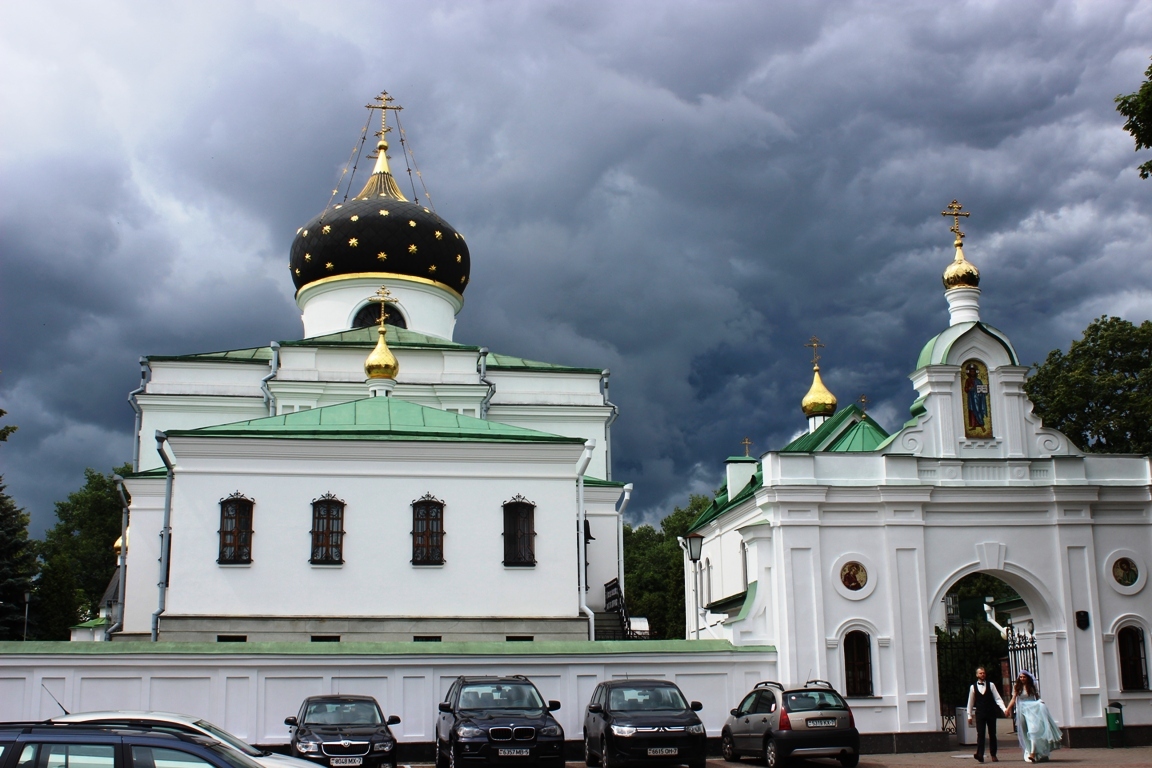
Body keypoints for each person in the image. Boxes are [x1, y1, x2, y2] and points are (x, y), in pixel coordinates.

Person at [1004, 670, 1062, 763]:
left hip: (1033, 709)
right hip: (1022, 710)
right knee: (1025, 731)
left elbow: (1037, 696)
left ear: (1028, 678)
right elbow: (1014, 699)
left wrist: (1040, 703)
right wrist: (1007, 709)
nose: (1022, 679)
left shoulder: (1032, 686)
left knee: (1033, 730)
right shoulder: (1017, 687)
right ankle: (1031, 750)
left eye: (1024, 677)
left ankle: (1033, 753)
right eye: (1021, 677)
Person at [966, 666, 1006, 763]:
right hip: (980, 713)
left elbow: (997, 698)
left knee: (992, 734)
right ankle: (980, 754)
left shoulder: (991, 685)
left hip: (991, 712)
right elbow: (970, 702)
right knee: (980, 734)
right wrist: (969, 715)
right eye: (980, 673)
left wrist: (1004, 709)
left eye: (983, 673)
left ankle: (993, 754)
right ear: (977, 675)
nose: (982, 675)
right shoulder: (973, 687)